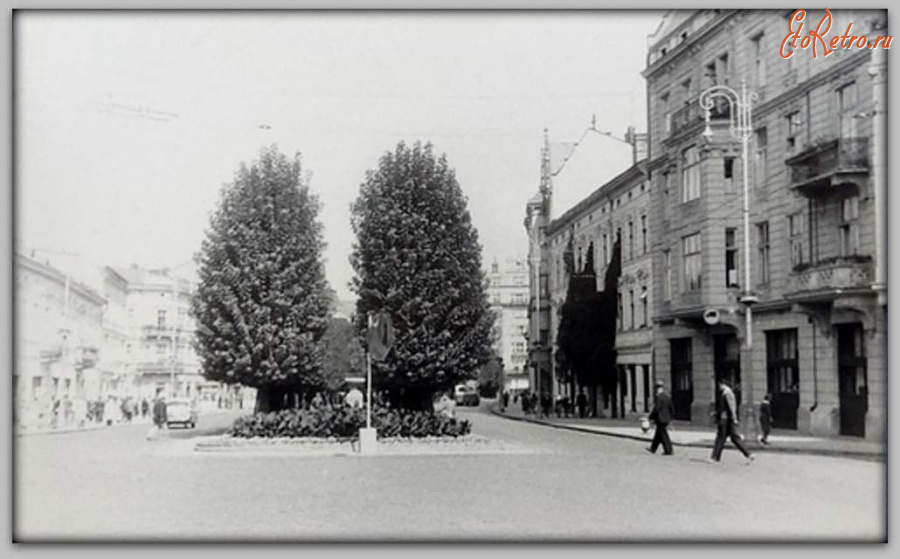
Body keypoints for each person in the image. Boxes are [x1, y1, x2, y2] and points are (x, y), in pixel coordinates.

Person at [710, 378, 754, 464]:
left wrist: (734, 418)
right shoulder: (727, 393)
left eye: (719, 385)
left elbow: (731, 406)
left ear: (722, 384)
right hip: (728, 419)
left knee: (720, 438)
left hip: (725, 420)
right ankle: (748, 454)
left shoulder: (726, 393)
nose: (719, 387)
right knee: (734, 438)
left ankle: (715, 457)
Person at [646, 380, 675, 456]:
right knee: (658, 434)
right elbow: (671, 408)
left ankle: (668, 450)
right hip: (666, 419)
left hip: (660, 419)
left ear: (657, 389)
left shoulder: (659, 397)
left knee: (663, 435)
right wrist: (671, 417)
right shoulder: (667, 397)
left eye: (656, 389)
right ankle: (653, 448)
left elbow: (656, 409)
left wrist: (650, 417)